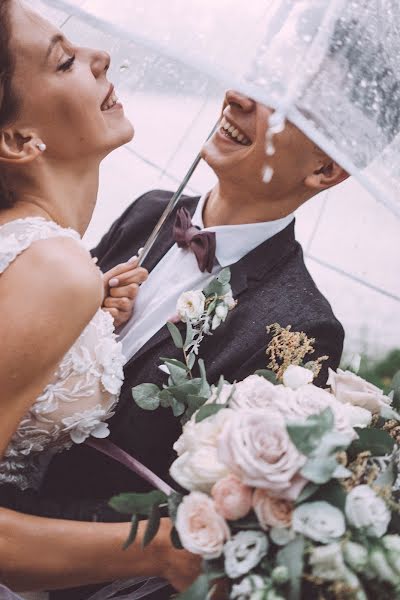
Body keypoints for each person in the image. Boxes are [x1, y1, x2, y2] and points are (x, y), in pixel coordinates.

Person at [5, 97, 348, 600]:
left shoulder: (302, 328)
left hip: (76, 576)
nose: (239, 98)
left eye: (285, 104)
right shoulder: (151, 211)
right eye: (254, 82)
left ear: (324, 168)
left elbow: (205, 513)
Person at [0, 0, 200, 597]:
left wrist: (81, 326)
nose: (99, 56)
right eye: (64, 62)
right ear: (17, 138)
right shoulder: (54, 271)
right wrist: (164, 548)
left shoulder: (40, 261)